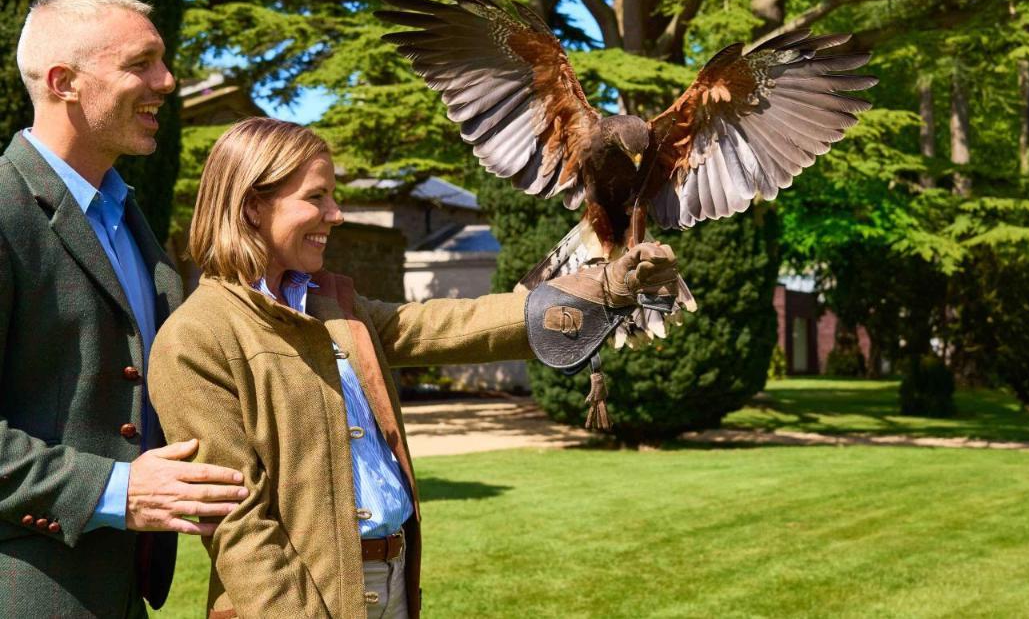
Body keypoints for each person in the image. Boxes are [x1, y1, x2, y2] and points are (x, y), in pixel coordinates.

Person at [148, 117, 677, 619]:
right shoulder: (197, 338)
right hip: (303, 600)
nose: (336, 214)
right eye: (316, 197)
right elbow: (239, 523)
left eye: (333, 196)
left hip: (392, 578)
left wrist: (602, 288)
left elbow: (441, 325)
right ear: (251, 208)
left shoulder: (330, 304)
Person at [0, 0, 248, 617]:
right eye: (142, 63)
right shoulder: (4, 212)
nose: (167, 82)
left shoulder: (124, 214)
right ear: (65, 83)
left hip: (121, 592)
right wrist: (115, 487)